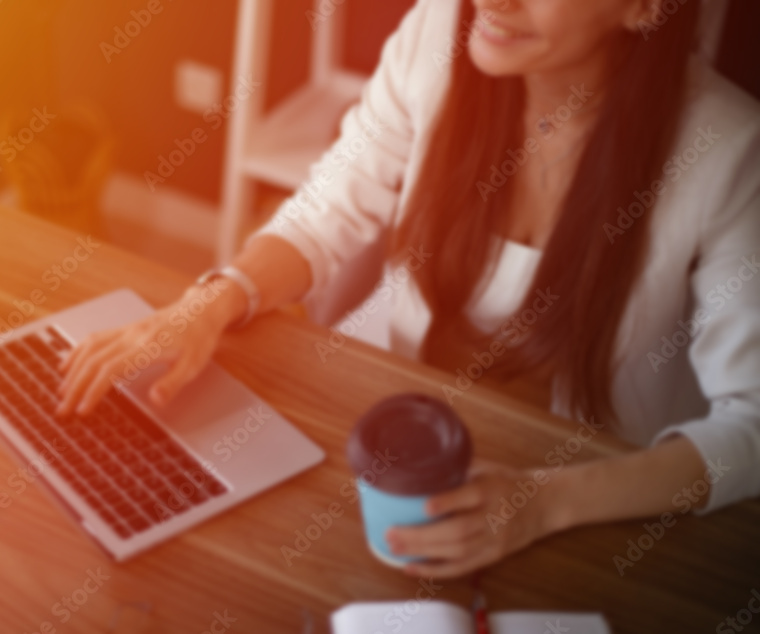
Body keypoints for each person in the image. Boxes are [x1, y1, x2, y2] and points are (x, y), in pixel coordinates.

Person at [57, 0, 760, 578]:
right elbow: (325, 209)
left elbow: (752, 426)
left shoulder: (728, 153)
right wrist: (209, 300)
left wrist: (543, 506)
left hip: (581, 502)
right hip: (383, 435)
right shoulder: (439, 31)